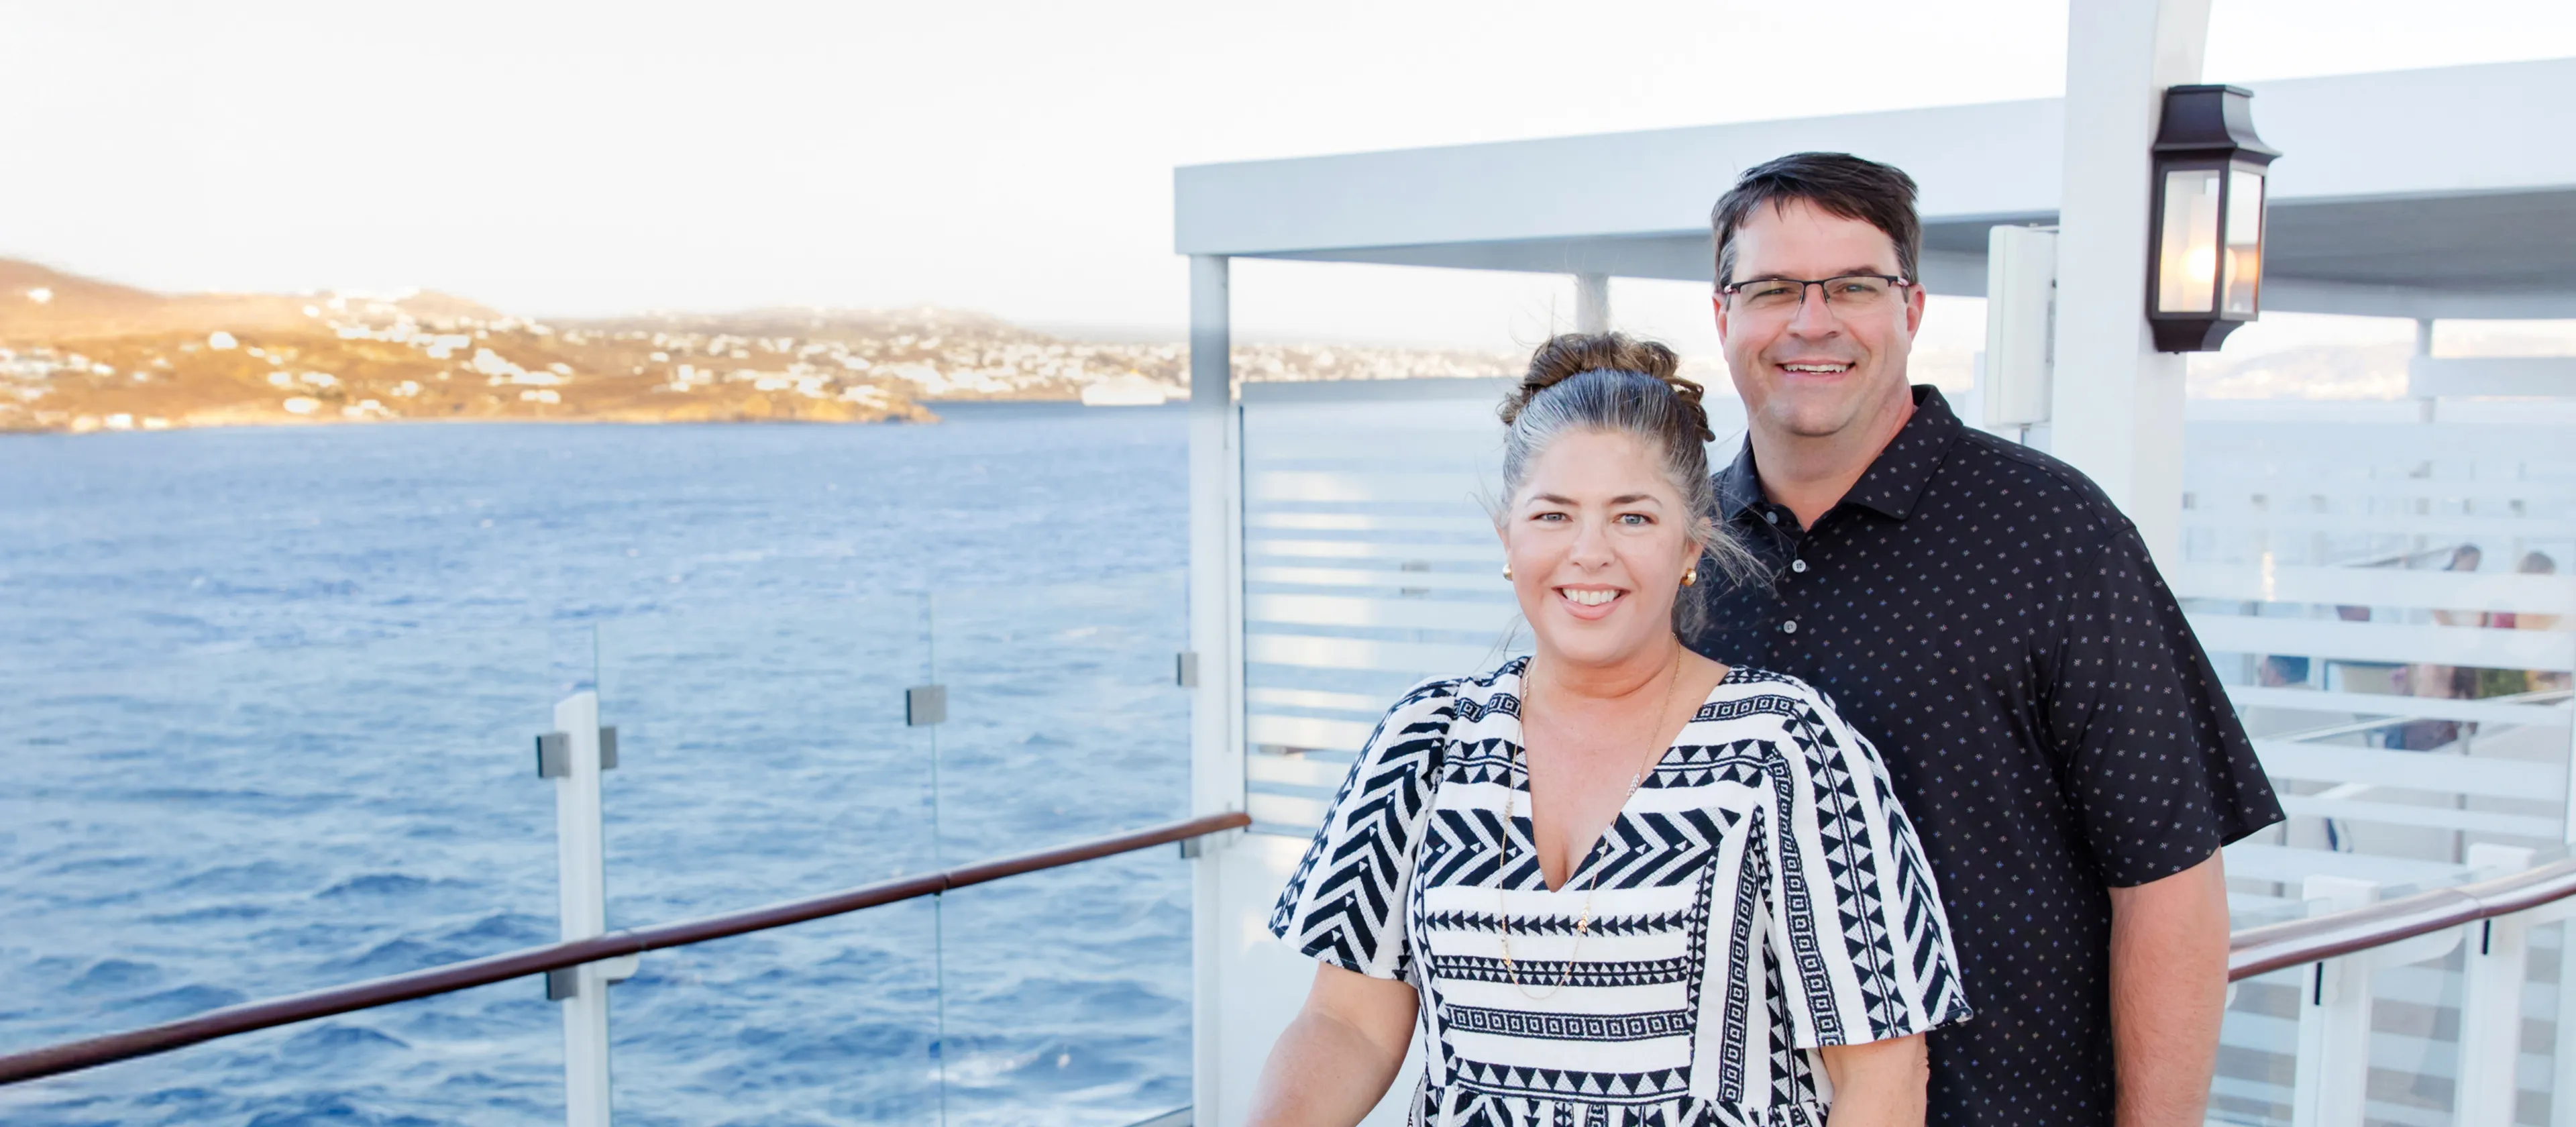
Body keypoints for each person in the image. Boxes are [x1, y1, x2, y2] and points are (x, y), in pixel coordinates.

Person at [1682, 153, 2285, 1127]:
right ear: (1723, 316)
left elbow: (2169, 881)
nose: (1812, 321)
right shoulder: (1676, 547)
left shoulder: (2052, 534)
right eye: (1773, 289)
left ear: (1912, 310)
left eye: (1852, 286)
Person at [1254, 334, 1972, 1127]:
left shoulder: (1787, 750)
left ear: (1691, 543)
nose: (1588, 554)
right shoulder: (1424, 743)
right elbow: (1346, 1022)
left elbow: (1886, 1076)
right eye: (1553, 515)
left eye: (1633, 516)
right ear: (1508, 540)